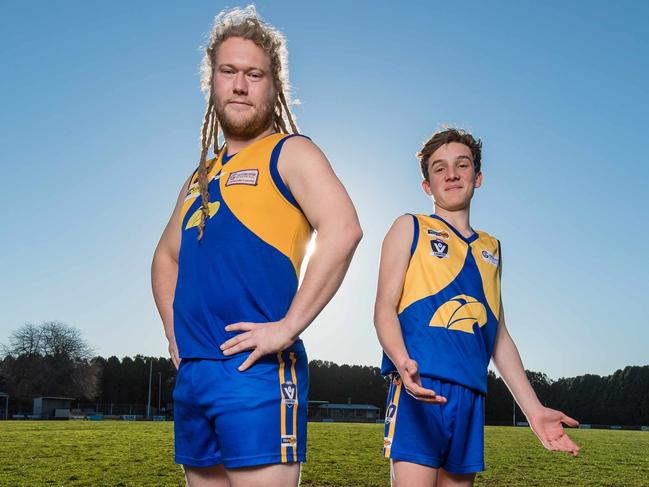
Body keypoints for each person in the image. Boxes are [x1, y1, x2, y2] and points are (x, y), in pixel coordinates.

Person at [151, 7, 362, 487]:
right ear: (213, 82)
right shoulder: (200, 178)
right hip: (196, 375)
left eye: (254, 74)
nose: (240, 85)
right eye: (229, 72)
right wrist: (173, 333)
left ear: (274, 85)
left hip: (257, 372)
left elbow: (344, 229)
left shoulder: (292, 151)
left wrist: (287, 327)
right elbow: (165, 257)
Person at [373, 128, 579, 486]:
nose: (451, 174)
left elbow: (497, 335)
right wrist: (401, 361)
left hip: (470, 394)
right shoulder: (410, 227)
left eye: (461, 165)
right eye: (439, 168)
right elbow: (383, 309)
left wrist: (533, 411)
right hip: (419, 384)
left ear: (477, 177)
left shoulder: (492, 248)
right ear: (427, 186)